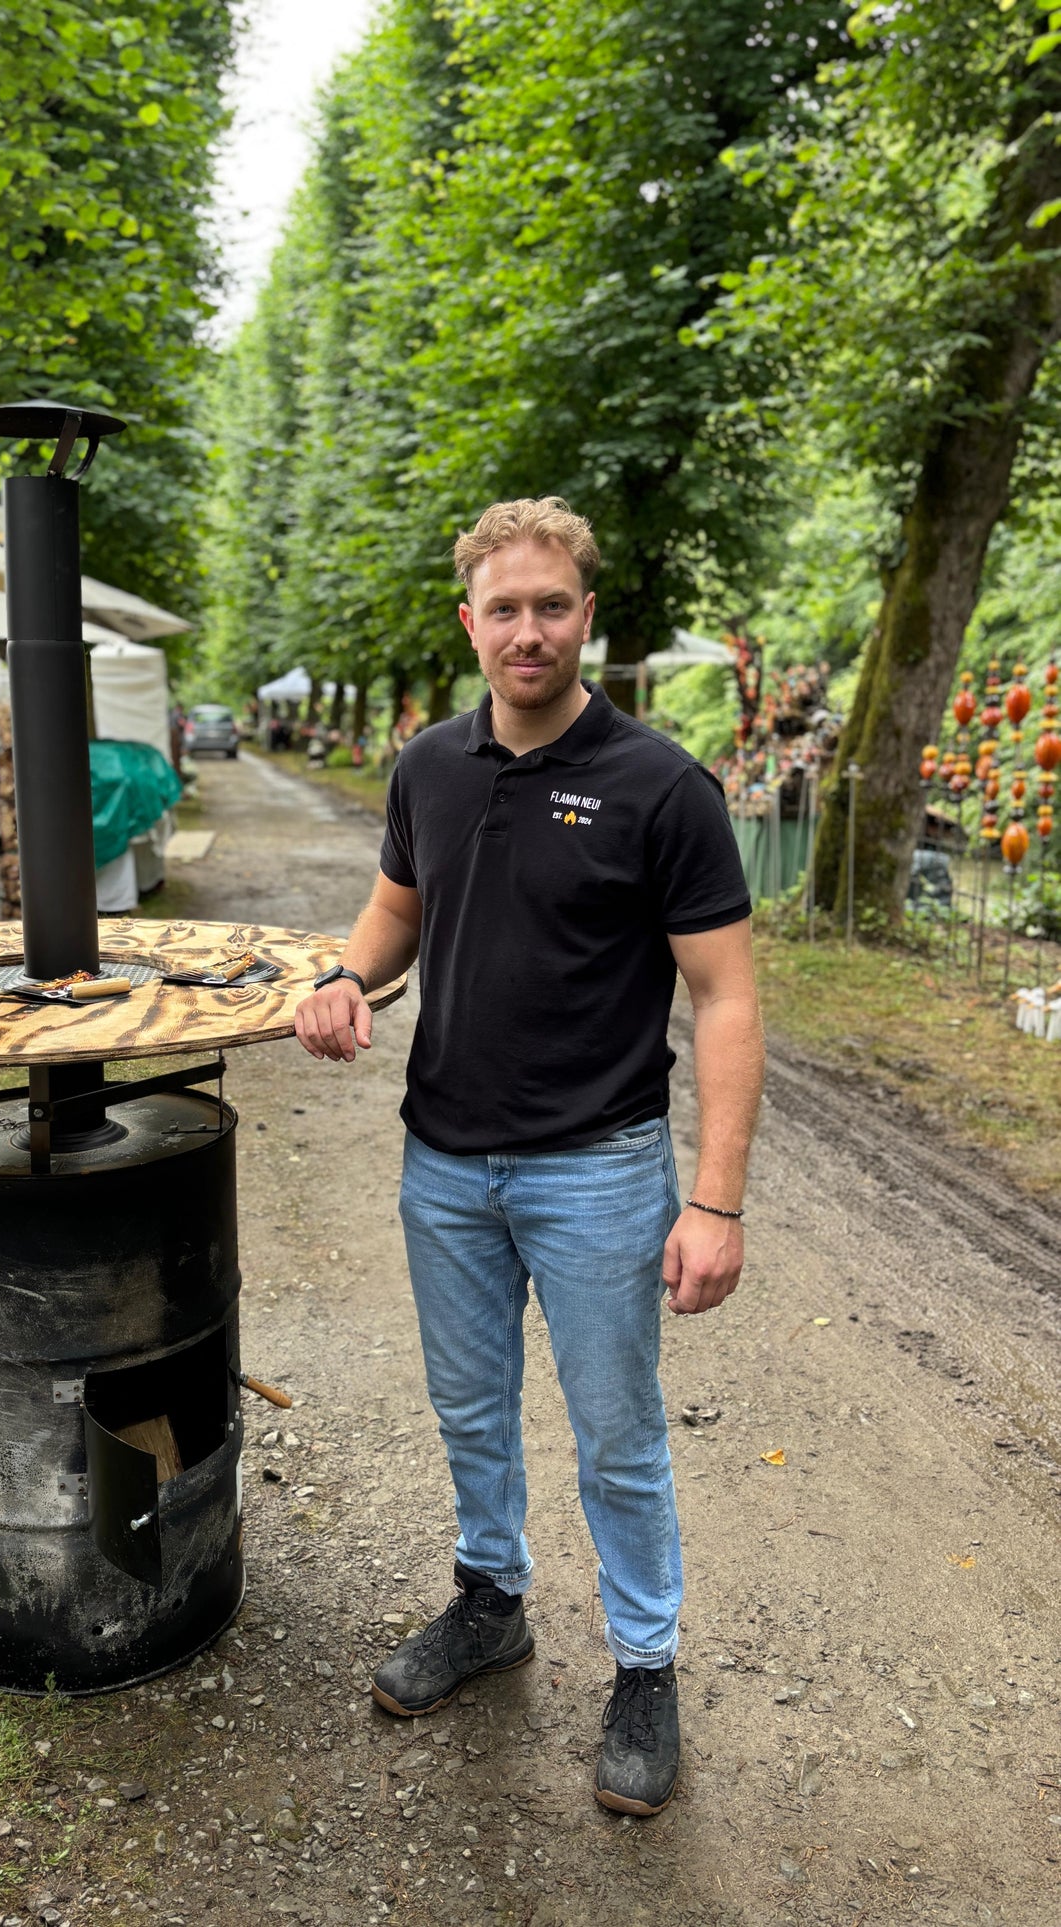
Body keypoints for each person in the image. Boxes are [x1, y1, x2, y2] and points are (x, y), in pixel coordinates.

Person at [293, 497, 763, 1818]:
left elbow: (723, 997)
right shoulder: (429, 765)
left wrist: (713, 1200)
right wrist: (343, 975)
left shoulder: (661, 786)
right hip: (443, 1166)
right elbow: (399, 902)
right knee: (469, 1411)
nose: (526, 631)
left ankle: (645, 1665)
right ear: (469, 623)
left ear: (585, 618)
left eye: (549, 606)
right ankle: (489, 1604)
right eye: (502, 608)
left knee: (615, 1436)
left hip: (597, 1171)